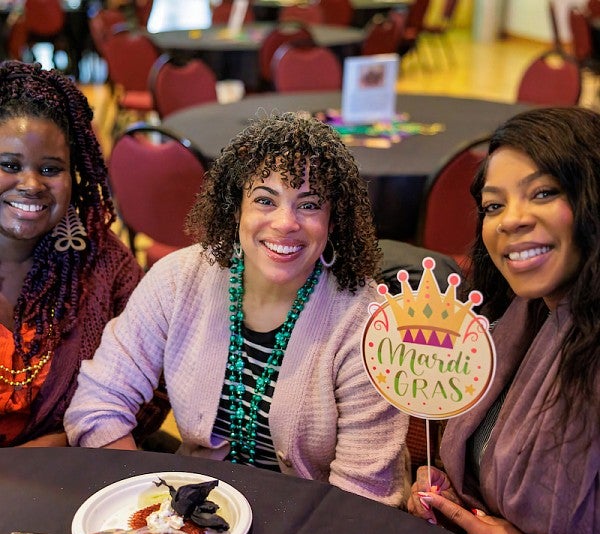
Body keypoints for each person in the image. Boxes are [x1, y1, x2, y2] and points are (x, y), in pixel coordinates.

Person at [65, 112, 410, 507]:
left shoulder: (366, 322)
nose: (285, 223)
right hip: (194, 518)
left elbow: (362, 497)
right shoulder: (179, 280)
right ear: (236, 210)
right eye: (265, 199)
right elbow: (97, 403)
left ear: (334, 221)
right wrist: (148, 510)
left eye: (309, 204)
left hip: (313, 529)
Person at [408, 107, 600, 534]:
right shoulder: (516, 317)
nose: (511, 220)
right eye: (494, 206)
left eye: (543, 192)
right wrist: (446, 480)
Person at [0, 60, 148, 447]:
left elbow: (153, 388)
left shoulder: (107, 266)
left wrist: (67, 438)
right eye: (10, 165)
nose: (31, 184)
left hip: (78, 481)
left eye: (51, 169)